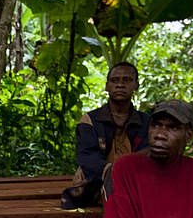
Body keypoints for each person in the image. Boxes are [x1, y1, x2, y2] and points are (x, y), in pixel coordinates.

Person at [61, 61, 149, 210]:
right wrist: (114, 173)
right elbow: (88, 158)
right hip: (100, 182)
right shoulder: (89, 120)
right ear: (107, 86)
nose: (120, 85)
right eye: (114, 80)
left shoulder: (147, 121)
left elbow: (148, 156)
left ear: (136, 86)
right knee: (77, 195)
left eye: (127, 80)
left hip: (138, 183)